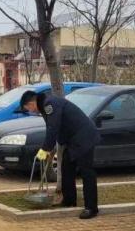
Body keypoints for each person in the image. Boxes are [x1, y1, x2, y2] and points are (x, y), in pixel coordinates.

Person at [20, 90, 101, 219]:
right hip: (73, 140)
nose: (30, 111)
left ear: (31, 103)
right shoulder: (45, 105)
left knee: (87, 172)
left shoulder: (49, 104)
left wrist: (45, 149)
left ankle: (91, 208)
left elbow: (53, 128)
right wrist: (49, 148)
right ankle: (69, 201)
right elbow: (55, 128)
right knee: (66, 168)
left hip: (84, 138)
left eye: (28, 108)